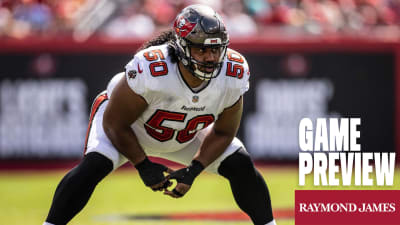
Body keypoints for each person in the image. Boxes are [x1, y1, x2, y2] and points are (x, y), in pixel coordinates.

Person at [43, 4, 276, 225]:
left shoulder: (233, 72)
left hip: (184, 134)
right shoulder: (153, 68)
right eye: (201, 48)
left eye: (215, 48)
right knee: (95, 164)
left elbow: (224, 132)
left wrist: (194, 170)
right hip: (130, 128)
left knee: (240, 163)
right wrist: (143, 165)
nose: (210, 57)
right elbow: (115, 123)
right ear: (181, 46)